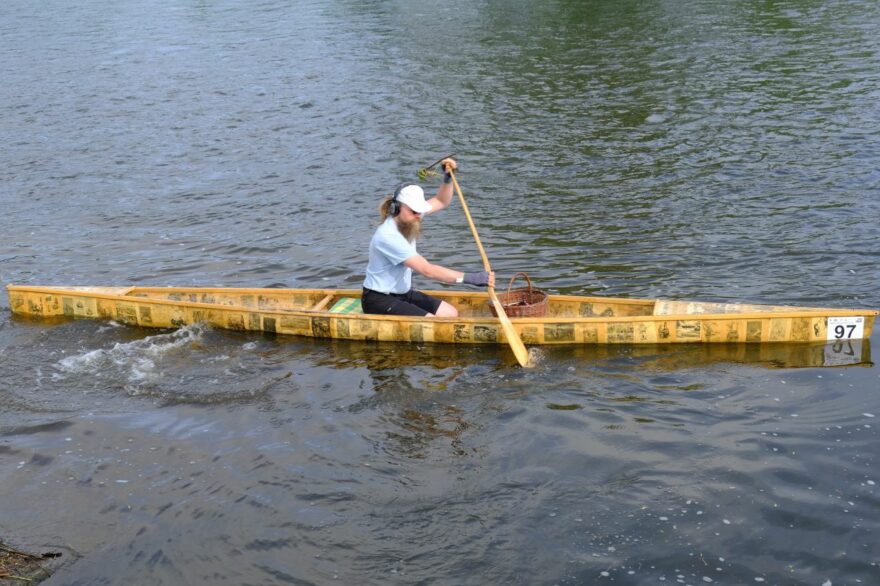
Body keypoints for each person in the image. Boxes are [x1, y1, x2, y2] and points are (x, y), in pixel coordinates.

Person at [362, 158, 494, 317]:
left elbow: (441, 201)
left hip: (402, 293)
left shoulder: (410, 217)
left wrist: (447, 178)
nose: (419, 216)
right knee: (433, 322)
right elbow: (428, 270)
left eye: (419, 211)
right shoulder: (388, 236)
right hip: (378, 299)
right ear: (396, 208)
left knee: (450, 313)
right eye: (414, 211)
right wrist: (470, 278)